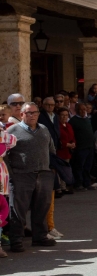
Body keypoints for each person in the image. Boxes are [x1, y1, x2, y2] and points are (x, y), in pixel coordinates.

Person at [6, 103, 57, 252]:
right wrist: (12, 173)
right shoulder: (12, 131)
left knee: (42, 207)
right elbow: (5, 155)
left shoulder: (44, 129)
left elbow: (51, 149)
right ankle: (16, 240)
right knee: (17, 210)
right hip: (21, 175)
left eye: (35, 112)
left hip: (43, 174)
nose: (32, 115)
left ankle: (40, 237)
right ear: (22, 114)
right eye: (28, 113)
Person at [69, 103, 96, 190]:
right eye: (81, 110)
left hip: (89, 146)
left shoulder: (87, 119)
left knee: (88, 166)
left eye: (84, 109)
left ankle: (87, 183)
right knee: (79, 166)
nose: (83, 111)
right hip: (80, 147)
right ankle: (78, 183)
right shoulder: (73, 121)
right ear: (76, 110)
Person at [0, 123, 17, 257]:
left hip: (2, 177)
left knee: (3, 206)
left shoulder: (3, 137)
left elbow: (13, 141)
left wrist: (2, 133)